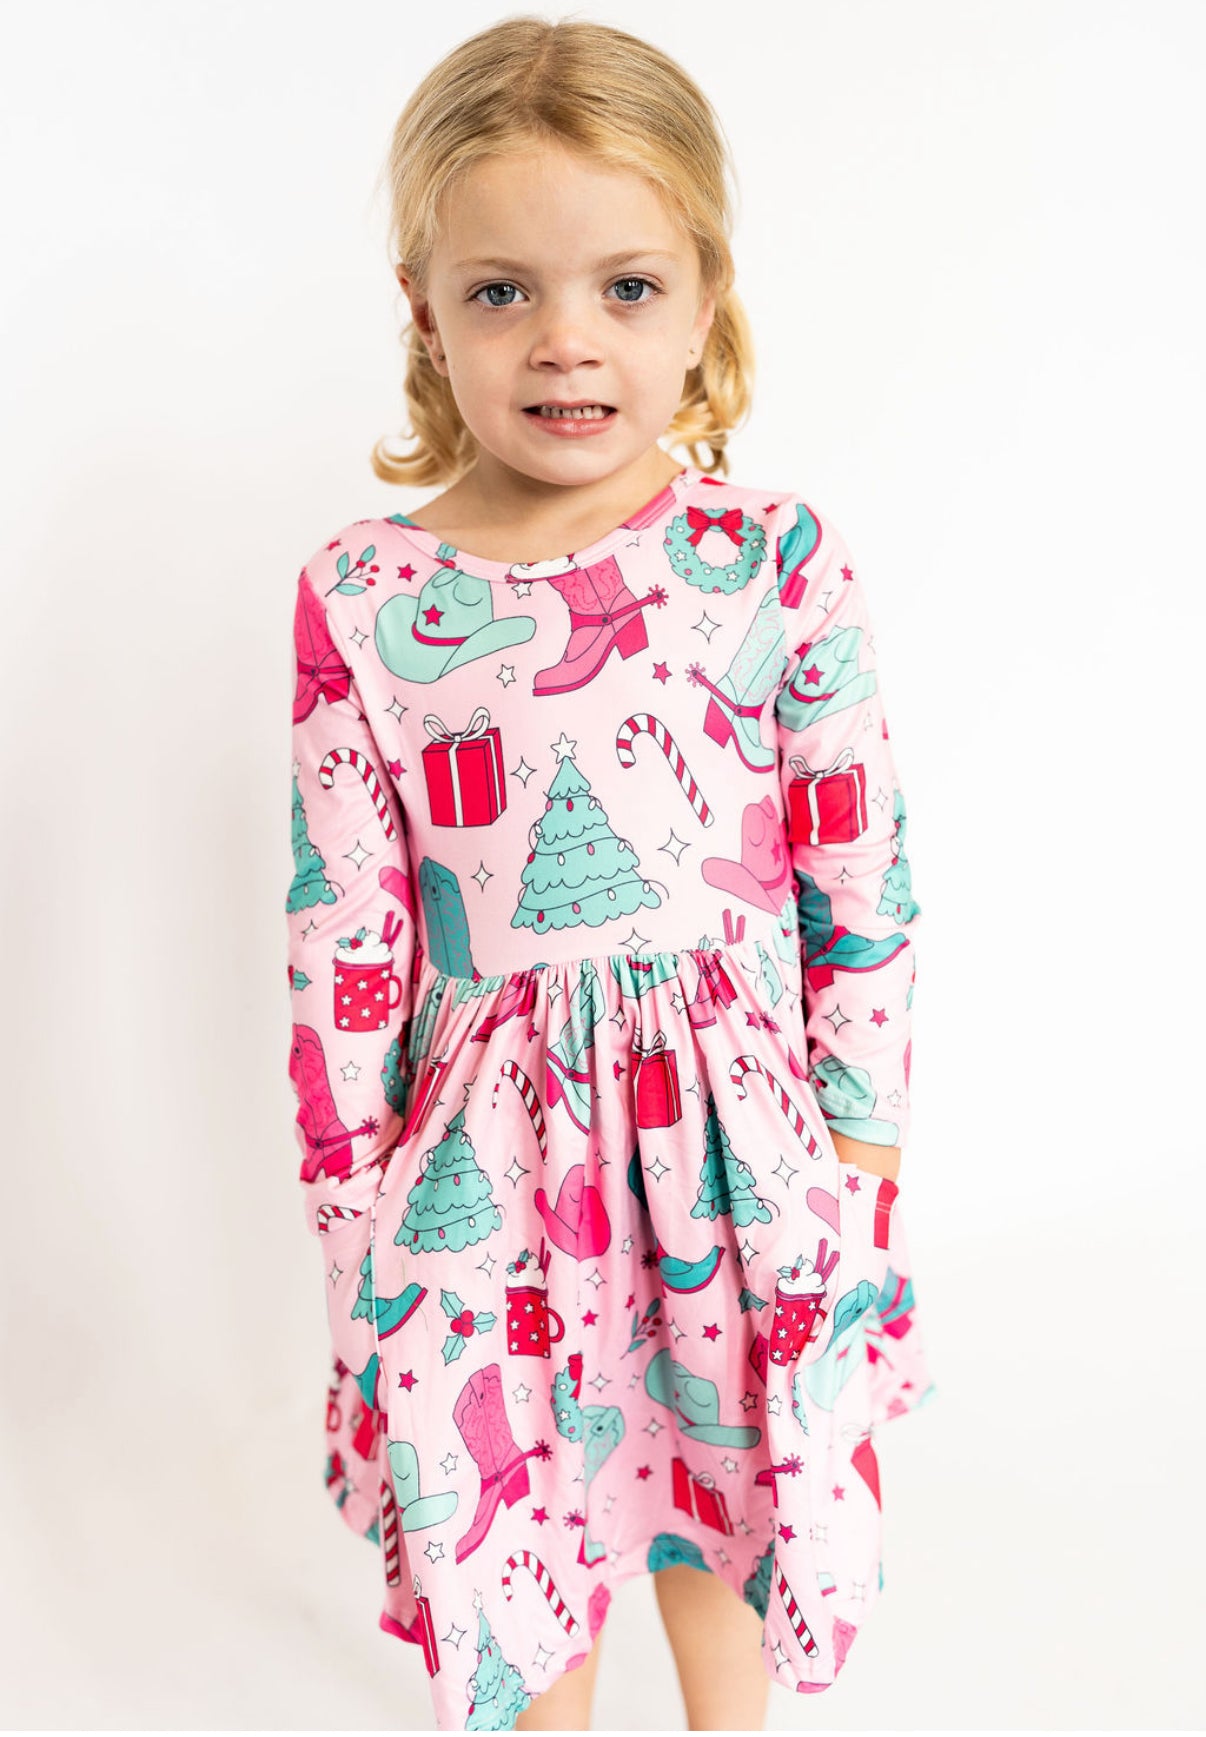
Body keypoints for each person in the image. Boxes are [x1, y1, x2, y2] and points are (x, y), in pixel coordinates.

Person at [285, 15, 936, 1732]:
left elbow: (853, 877)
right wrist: (356, 1224)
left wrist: (858, 1170)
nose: (565, 341)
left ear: (705, 298)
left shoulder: (767, 558)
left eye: (625, 289)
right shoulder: (364, 594)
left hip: (735, 1148)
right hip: (481, 1181)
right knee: (520, 1546)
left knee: (724, 1526)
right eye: (503, 291)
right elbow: (338, 921)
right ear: (424, 311)